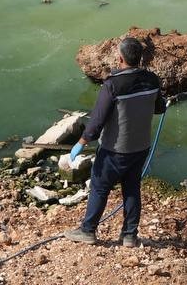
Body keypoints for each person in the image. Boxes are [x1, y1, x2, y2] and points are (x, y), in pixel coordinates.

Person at [64, 37, 166, 247]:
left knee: (100, 187)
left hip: (114, 150)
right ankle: (129, 235)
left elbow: (97, 120)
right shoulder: (152, 80)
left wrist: (81, 143)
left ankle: (88, 230)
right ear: (140, 58)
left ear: (120, 58)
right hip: (141, 147)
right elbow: (159, 108)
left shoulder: (113, 85)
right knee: (131, 188)